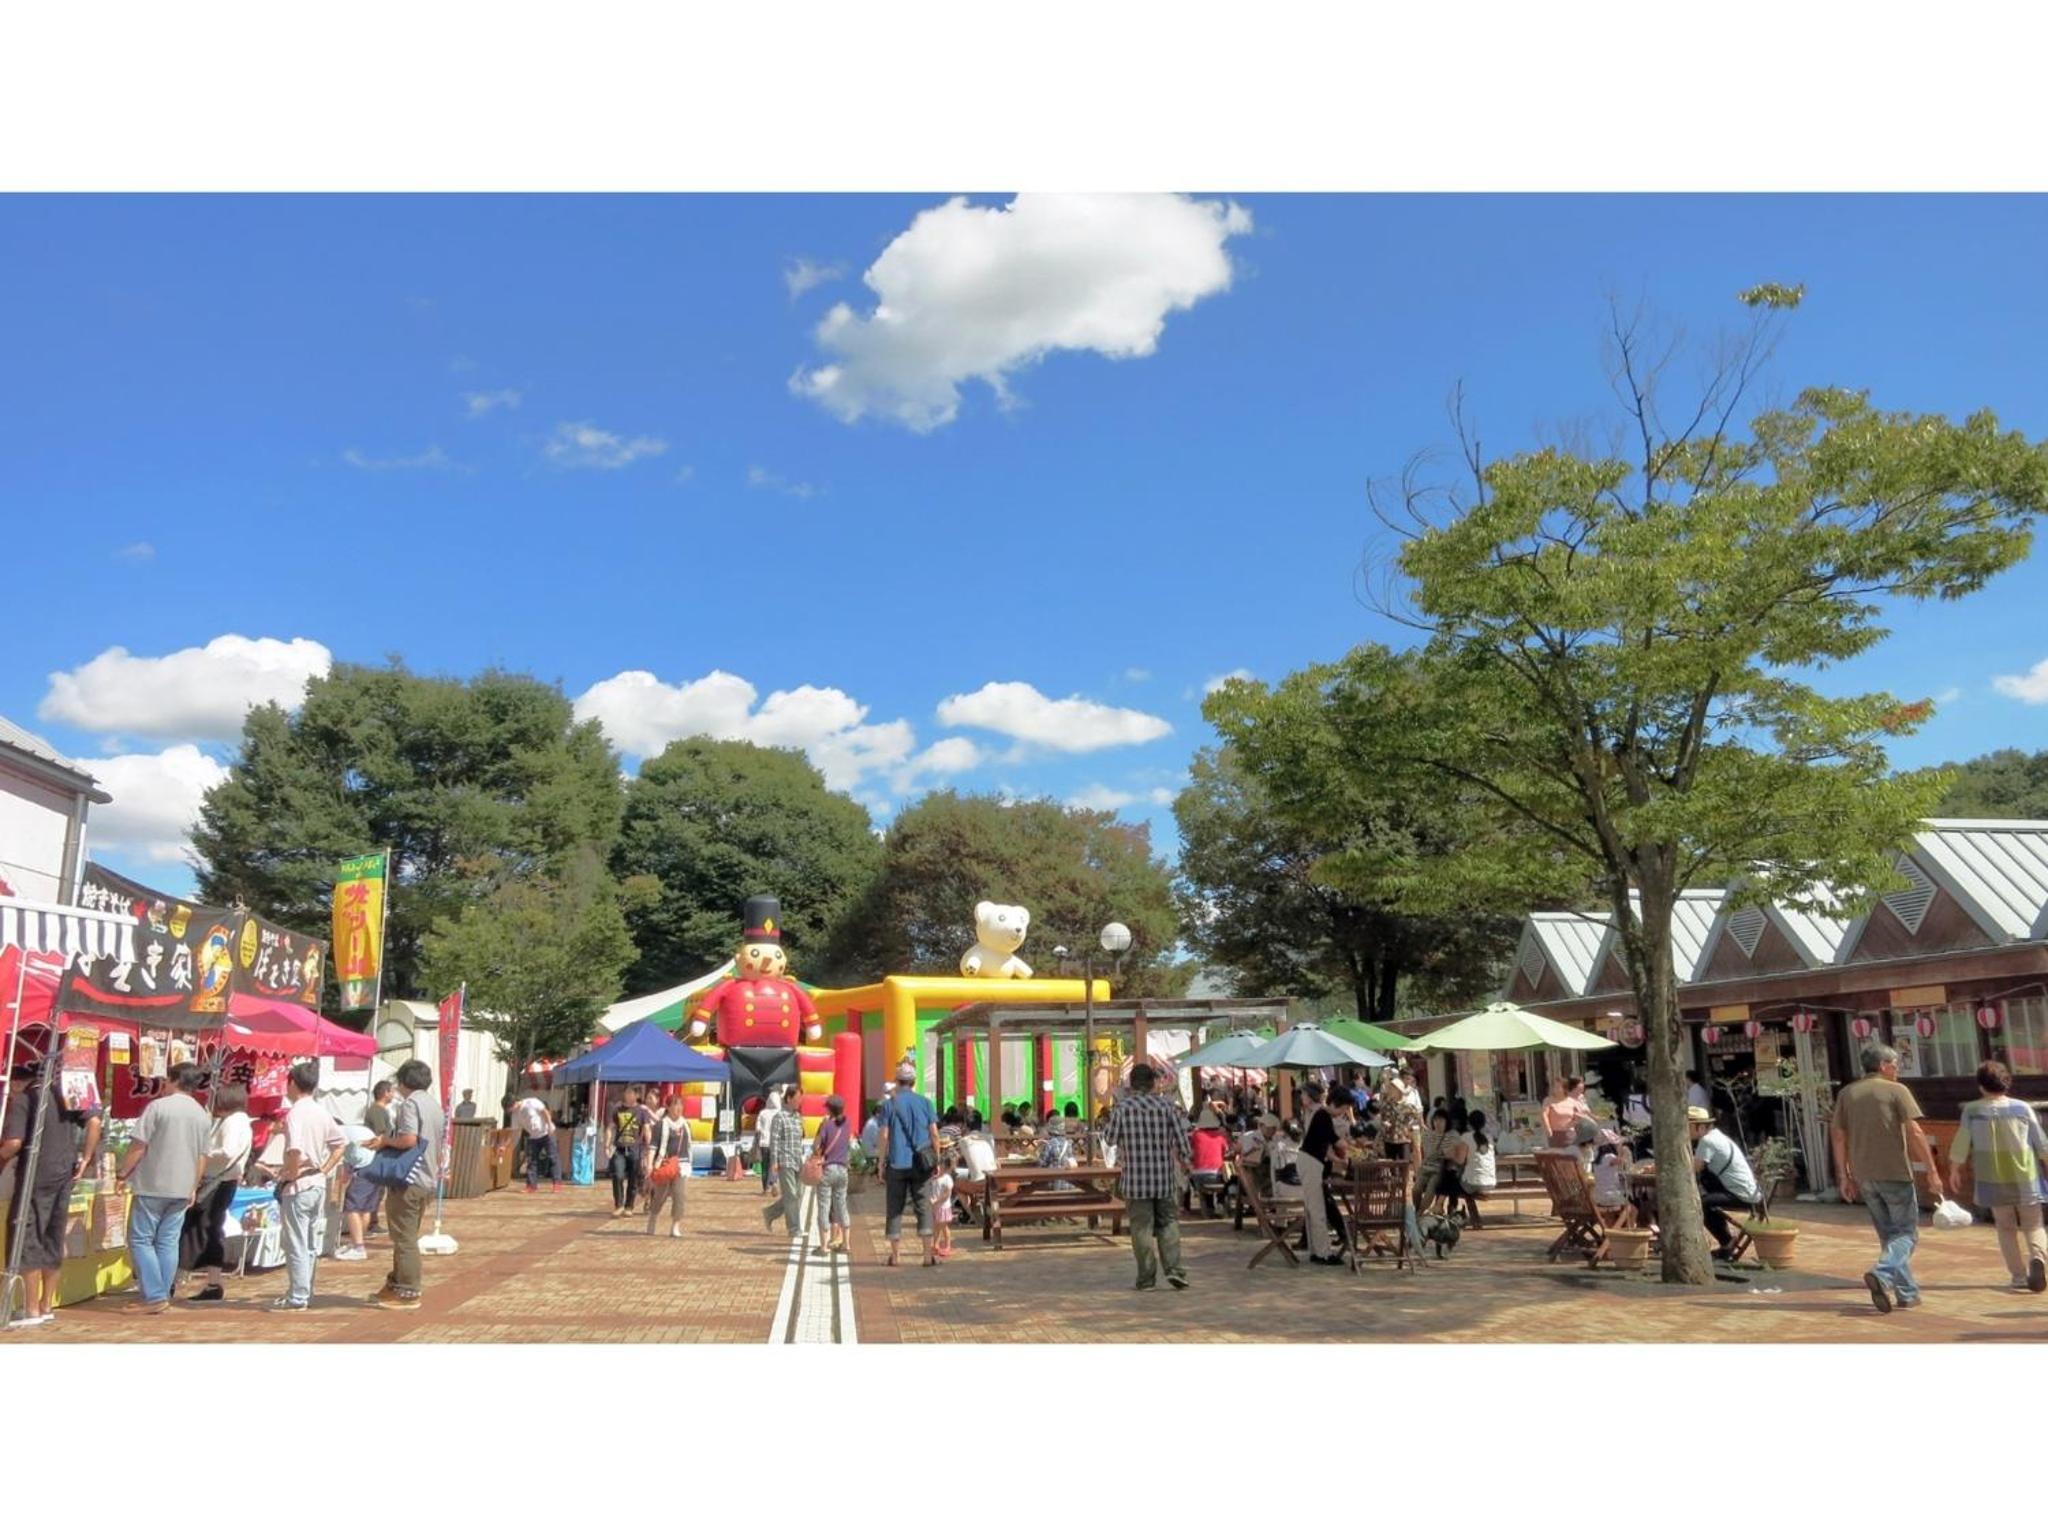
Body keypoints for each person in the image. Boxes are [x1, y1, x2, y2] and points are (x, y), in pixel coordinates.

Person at [1831, 1042, 1941, 1313]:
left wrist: (1843, 1175)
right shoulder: (1896, 1090)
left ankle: (1907, 1292)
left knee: (1889, 1235)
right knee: (1906, 1233)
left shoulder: (1847, 1093)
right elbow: (1915, 1132)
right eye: (1895, 1065)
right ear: (1883, 1066)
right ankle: (1882, 1274)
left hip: (1864, 1175)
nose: (1897, 1069)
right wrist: (1932, 1170)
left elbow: (1838, 1136)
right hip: (1895, 1172)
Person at [0, 1056, 102, 1329]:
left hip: (35, 1177)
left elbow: (13, 1143)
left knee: (28, 1236)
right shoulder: (66, 1093)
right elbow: (95, 1122)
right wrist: (86, 1158)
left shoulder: (25, 1099)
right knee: (53, 1237)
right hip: (63, 1174)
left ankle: (31, 1308)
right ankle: (46, 1305)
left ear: (17, 1082)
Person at [116, 1059, 211, 1315]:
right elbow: (203, 1156)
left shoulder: (158, 1107)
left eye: (167, 1080)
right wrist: (193, 1186)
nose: (165, 1084)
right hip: (182, 1187)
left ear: (175, 1080)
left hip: (152, 1184)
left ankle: (155, 1296)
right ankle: (162, 1293)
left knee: (141, 1239)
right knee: (168, 1242)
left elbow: (138, 1145)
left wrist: (122, 1173)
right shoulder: (201, 1114)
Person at [1947, 1058, 2048, 1294]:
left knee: (2005, 1228)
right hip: (2025, 1176)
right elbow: (2041, 1143)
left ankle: (2018, 1276)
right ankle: (2039, 1259)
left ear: (1981, 1085)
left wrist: (1954, 1169)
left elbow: (1961, 1142)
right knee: (2033, 1224)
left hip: (1990, 1178)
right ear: (2006, 1082)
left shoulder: (1972, 1111)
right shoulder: (2022, 1108)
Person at [1106, 1062, 1192, 1291]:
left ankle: (1146, 1278)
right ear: (1154, 1083)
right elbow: (1183, 1143)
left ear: (1131, 1084)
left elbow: (1110, 1139)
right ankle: (1174, 1270)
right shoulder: (1167, 1107)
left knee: (1141, 1228)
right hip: (1164, 1178)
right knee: (1168, 1223)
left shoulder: (1122, 1108)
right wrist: (1186, 1161)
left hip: (1136, 1180)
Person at [271, 1060, 346, 1312]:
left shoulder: (295, 1113)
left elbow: (294, 1149)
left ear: (292, 1083)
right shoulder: (321, 1111)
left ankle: (298, 1295)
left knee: (296, 1242)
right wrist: (324, 1168)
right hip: (317, 1182)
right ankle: (304, 1290)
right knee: (310, 1242)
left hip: (300, 1183)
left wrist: (290, 1175)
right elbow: (340, 1144)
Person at [369, 1058, 443, 1312]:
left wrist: (385, 1141)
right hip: (427, 1178)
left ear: (403, 1082)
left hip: (409, 1179)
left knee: (404, 1238)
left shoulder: (410, 1104)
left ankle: (409, 1290)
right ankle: (395, 1284)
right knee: (404, 1235)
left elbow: (409, 1139)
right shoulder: (433, 1105)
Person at [182, 1080, 252, 1302]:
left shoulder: (232, 1121)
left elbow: (227, 1151)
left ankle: (203, 1281)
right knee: (211, 1229)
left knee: (201, 1229)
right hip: (225, 1182)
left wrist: (203, 1154)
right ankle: (213, 1281)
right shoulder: (241, 1120)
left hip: (216, 1182)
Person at [875, 1060, 940, 1267]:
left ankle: (895, 1256)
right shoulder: (925, 1103)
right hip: (920, 1164)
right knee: (923, 1206)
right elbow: (934, 1134)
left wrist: (881, 1162)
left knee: (895, 1208)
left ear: (897, 1081)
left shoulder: (888, 1105)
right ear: (914, 1081)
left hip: (896, 1163)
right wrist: (936, 1159)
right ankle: (927, 1256)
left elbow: (884, 1135)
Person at [1685, 1105, 1760, 1260]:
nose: (1686, 1131)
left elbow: (1695, 1168)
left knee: (1701, 1204)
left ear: (1699, 1126)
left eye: (1688, 1127)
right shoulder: (1717, 1136)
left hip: (1741, 1194)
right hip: (1746, 1191)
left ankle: (1726, 1242)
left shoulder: (1707, 1141)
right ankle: (1726, 1242)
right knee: (1706, 1201)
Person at [338, 1078, 395, 1259]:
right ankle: (358, 1242)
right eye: (391, 1091)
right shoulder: (376, 1111)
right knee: (365, 1207)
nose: (393, 1094)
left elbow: (346, 1152)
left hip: (367, 1164)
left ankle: (358, 1246)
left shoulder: (345, 1132)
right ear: (385, 1092)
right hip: (376, 1162)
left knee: (354, 1206)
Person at [1296, 1082, 1342, 1266]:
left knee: (1313, 1208)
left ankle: (1316, 1250)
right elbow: (1335, 1141)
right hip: (1311, 1162)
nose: (1301, 1098)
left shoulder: (1314, 1112)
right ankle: (1323, 1253)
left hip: (1310, 1160)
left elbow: (1326, 1144)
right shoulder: (1320, 1114)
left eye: (1303, 1094)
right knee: (1317, 1208)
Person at [646, 1094, 694, 1239]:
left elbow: (689, 1146)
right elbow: (653, 1147)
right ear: (667, 1107)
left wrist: (690, 1163)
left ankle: (675, 1226)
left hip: (681, 1165)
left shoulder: (686, 1125)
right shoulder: (661, 1125)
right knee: (660, 1196)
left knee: (680, 1196)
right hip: (664, 1164)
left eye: (680, 1105)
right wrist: (649, 1165)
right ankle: (653, 1216)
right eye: (675, 1105)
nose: (678, 1108)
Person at [812, 1094, 855, 1255]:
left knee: (824, 1206)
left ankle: (824, 1246)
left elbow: (816, 1146)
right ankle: (846, 1244)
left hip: (828, 1169)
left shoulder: (826, 1125)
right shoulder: (848, 1123)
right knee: (841, 1205)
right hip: (842, 1169)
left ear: (830, 1109)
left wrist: (821, 1127)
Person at [764, 1085, 809, 1234]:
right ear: (789, 1098)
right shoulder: (779, 1117)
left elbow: (800, 1139)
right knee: (790, 1195)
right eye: (797, 1098)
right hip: (785, 1160)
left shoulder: (797, 1117)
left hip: (797, 1160)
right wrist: (774, 1162)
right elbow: (774, 1141)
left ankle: (770, 1213)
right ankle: (794, 1228)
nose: (800, 1102)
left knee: (798, 1193)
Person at [607, 1086, 652, 1217]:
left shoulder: (642, 1112)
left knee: (633, 1179)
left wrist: (649, 1148)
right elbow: (610, 1127)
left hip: (635, 1149)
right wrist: (607, 1144)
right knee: (617, 1175)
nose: (627, 1095)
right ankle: (619, 1205)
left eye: (631, 1093)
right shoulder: (617, 1110)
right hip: (619, 1148)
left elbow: (647, 1129)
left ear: (637, 1095)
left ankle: (629, 1206)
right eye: (626, 1092)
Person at [512, 1088, 559, 1194]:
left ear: (515, 1103)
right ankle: (531, 1185)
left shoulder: (531, 1102)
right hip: (533, 1136)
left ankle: (556, 1184)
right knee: (531, 1161)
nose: (511, 1111)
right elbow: (516, 1132)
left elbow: (545, 1112)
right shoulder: (515, 1115)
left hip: (546, 1133)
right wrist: (509, 1145)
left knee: (553, 1158)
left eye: (511, 1107)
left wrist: (549, 1125)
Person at [754, 1088, 783, 1195]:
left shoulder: (763, 1113)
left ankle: (765, 1188)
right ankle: (773, 1182)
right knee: (774, 1164)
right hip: (776, 1143)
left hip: (764, 1143)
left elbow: (757, 1129)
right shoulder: (780, 1113)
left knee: (765, 1166)